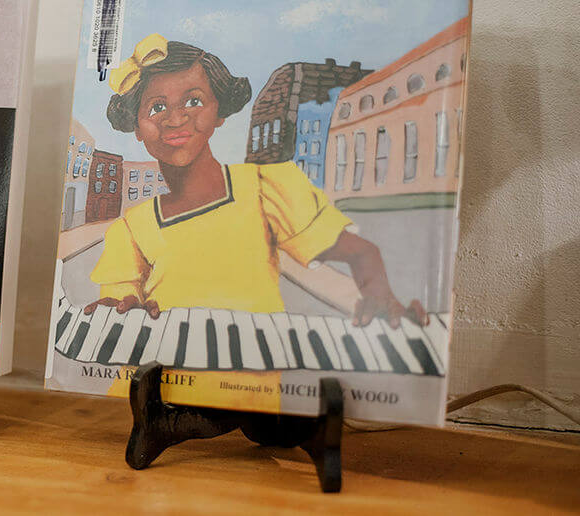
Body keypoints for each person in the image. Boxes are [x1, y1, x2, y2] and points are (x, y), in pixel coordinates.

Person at [85, 33, 426, 329]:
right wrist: (122, 310)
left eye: (194, 101)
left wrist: (380, 296)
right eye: (156, 107)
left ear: (219, 112)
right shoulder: (131, 229)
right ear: (137, 127)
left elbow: (363, 254)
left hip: (251, 376)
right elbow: (119, 300)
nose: (176, 119)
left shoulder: (265, 188)